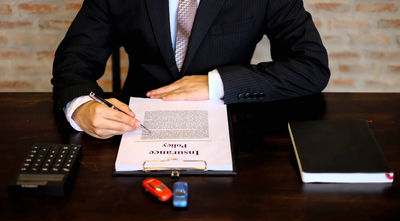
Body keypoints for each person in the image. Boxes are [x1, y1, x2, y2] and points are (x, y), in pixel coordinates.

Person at [52, 0, 330, 139]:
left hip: (237, 126)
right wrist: (80, 105)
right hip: (134, 125)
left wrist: (217, 84)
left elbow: (311, 66)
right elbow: (74, 60)